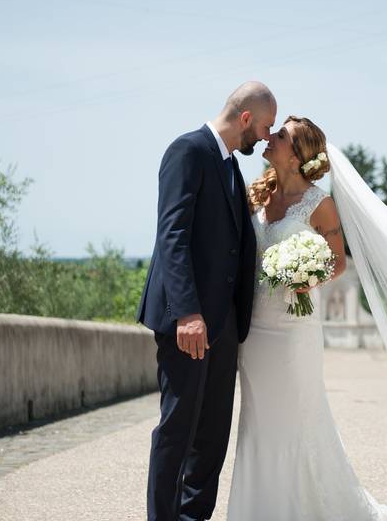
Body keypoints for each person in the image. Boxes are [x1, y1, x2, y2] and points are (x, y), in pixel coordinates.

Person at [226, 115, 387, 520]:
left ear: (296, 157)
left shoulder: (320, 203)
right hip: (255, 332)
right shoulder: (257, 195)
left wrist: (304, 277)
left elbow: (337, 263)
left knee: (298, 417)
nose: (269, 137)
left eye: (279, 136)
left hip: (294, 331)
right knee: (258, 419)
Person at [138, 81, 276, 521]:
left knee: (213, 435)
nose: (267, 137)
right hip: (190, 323)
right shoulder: (188, 151)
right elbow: (172, 235)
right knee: (177, 430)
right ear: (246, 118)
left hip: (223, 325)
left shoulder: (230, 165)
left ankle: (194, 517)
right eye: (266, 126)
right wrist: (188, 313)